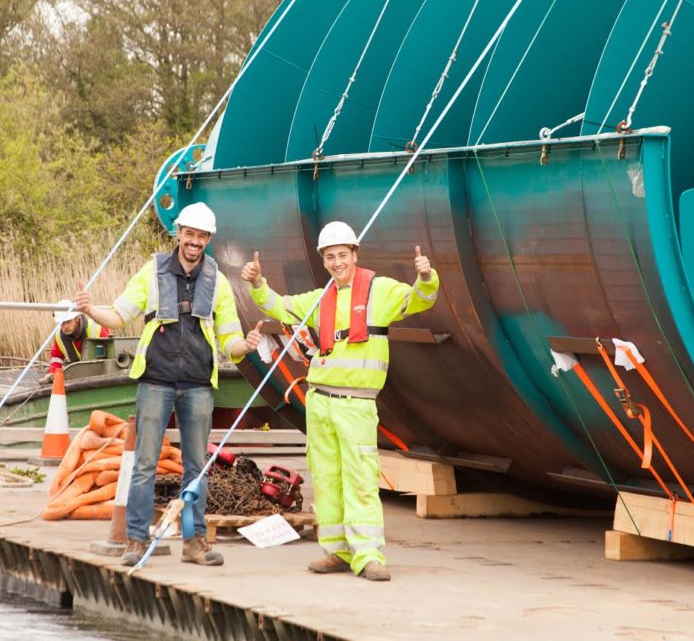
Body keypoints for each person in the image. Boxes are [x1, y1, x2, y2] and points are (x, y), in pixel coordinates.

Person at [241, 221, 439, 581]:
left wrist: (426, 277)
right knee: (327, 478)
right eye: (330, 257)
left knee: (361, 478)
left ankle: (368, 555)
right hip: (320, 402)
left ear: (354, 254)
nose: (336, 263)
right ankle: (335, 551)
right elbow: (278, 305)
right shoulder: (320, 298)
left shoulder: (380, 292)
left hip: (356, 404)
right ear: (324, 261)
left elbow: (418, 300)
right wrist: (257, 283)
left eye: (342, 255)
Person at [73, 202, 263, 567]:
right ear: (178, 234)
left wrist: (246, 346)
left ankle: (194, 543)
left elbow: (230, 341)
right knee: (145, 464)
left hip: (197, 385)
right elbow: (119, 313)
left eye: (201, 235)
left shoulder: (218, 281)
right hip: (156, 380)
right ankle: (136, 540)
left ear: (208, 239)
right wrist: (90, 310)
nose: (194, 241)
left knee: (196, 466)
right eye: (189, 233)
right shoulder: (152, 271)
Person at [42, 304, 111, 383]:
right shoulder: (59, 337)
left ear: (77, 318)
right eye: (61, 323)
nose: (65, 326)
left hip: (101, 375)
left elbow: (111, 352)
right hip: (77, 378)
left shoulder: (97, 328)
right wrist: (52, 373)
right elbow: (56, 357)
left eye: (68, 321)